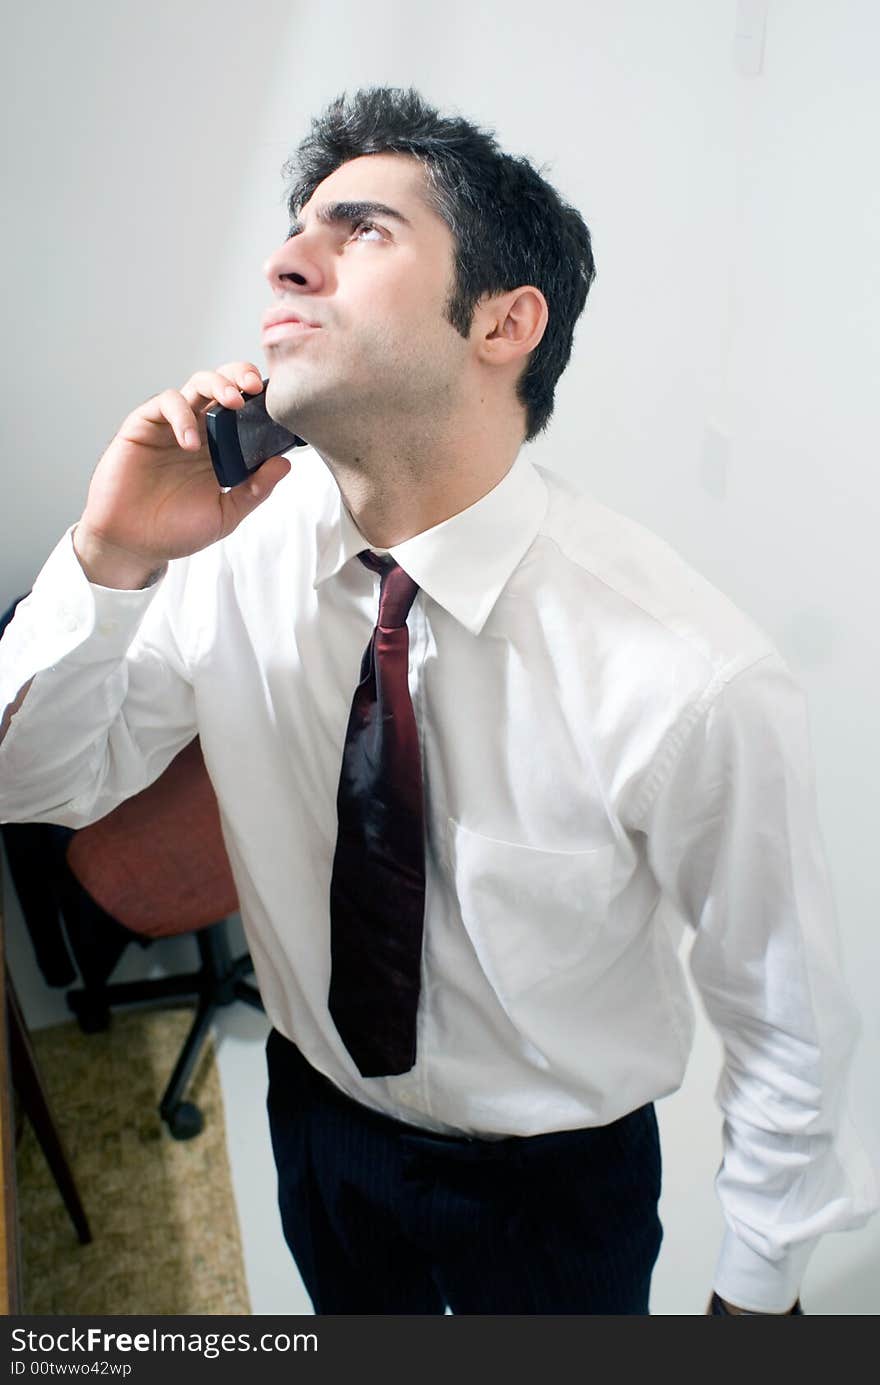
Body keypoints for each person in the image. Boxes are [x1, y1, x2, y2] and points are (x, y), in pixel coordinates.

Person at [0, 86, 875, 1316]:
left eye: (360, 230)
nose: (284, 260)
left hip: (556, 1185)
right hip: (319, 1121)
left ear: (504, 321)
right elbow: (35, 784)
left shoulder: (687, 671)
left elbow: (782, 1010)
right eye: (297, 227)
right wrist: (112, 555)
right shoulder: (227, 557)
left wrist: (758, 1290)